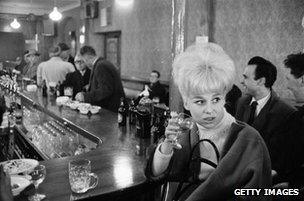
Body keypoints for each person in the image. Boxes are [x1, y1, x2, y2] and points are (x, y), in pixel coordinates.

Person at [145, 43, 272, 201]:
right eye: (200, 102)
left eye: (216, 99)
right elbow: (157, 174)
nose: (210, 109)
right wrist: (166, 146)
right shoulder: (184, 132)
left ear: (225, 96)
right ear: (186, 102)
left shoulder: (249, 140)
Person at [235, 56, 296, 183]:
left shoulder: (286, 113)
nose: (241, 81)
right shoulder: (241, 103)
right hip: (237, 173)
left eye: (246, 77)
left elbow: (283, 161)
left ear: (261, 81)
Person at [75, 46, 125, 112]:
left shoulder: (100, 66)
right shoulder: (101, 63)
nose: (85, 64)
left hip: (112, 111)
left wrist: (85, 96)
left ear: (87, 57)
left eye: (84, 61)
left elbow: (105, 90)